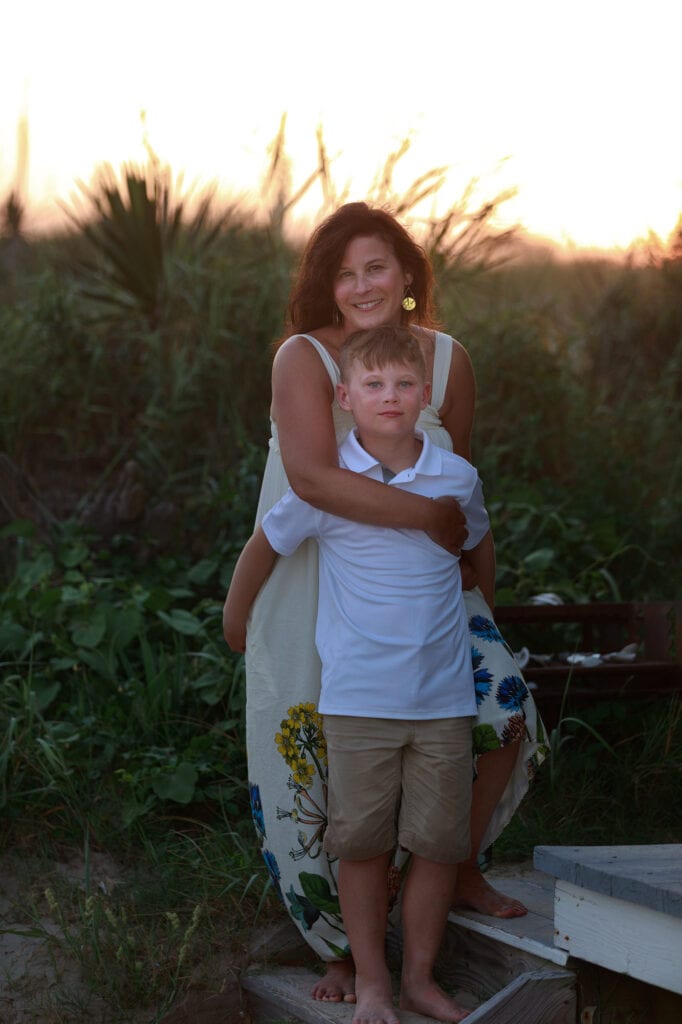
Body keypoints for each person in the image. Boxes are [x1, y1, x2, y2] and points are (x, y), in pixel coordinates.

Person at [237, 202, 546, 1003]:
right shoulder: (303, 357)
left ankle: (455, 865)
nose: (362, 284)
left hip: (430, 585)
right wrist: (429, 518)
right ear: (324, 285)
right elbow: (312, 482)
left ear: (407, 274)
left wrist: (472, 578)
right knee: (317, 761)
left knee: (506, 709)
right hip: (320, 575)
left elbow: (459, 484)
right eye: (343, 272)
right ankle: (344, 950)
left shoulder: (446, 361)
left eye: (377, 267)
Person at [225, 324, 492, 1024]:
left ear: (424, 394)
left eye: (405, 384)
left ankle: (420, 981)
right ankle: (372, 981)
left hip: (443, 700)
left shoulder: (456, 477)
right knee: (363, 845)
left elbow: (478, 552)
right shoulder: (329, 489)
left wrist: (488, 615)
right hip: (359, 701)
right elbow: (265, 544)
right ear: (345, 396)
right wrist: (236, 617)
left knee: (437, 845)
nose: (390, 396)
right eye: (373, 385)